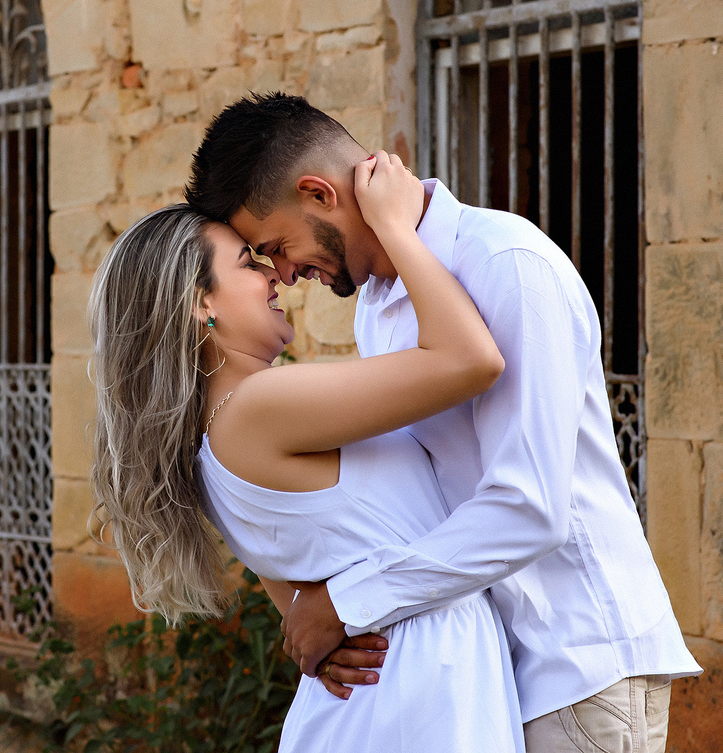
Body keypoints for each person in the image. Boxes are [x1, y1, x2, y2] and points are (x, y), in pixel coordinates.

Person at [184, 92, 700, 753]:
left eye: (277, 246)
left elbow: (532, 506)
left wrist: (350, 602)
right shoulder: (378, 303)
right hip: (484, 671)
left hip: (575, 661)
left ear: (317, 192)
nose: (285, 274)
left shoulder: (506, 263)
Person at [89, 153, 526, 751]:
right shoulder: (259, 407)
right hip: (412, 695)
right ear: (201, 304)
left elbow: (304, 617)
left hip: (391, 690)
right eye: (249, 263)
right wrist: (396, 229)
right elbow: (471, 360)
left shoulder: (218, 433)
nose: (275, 276)